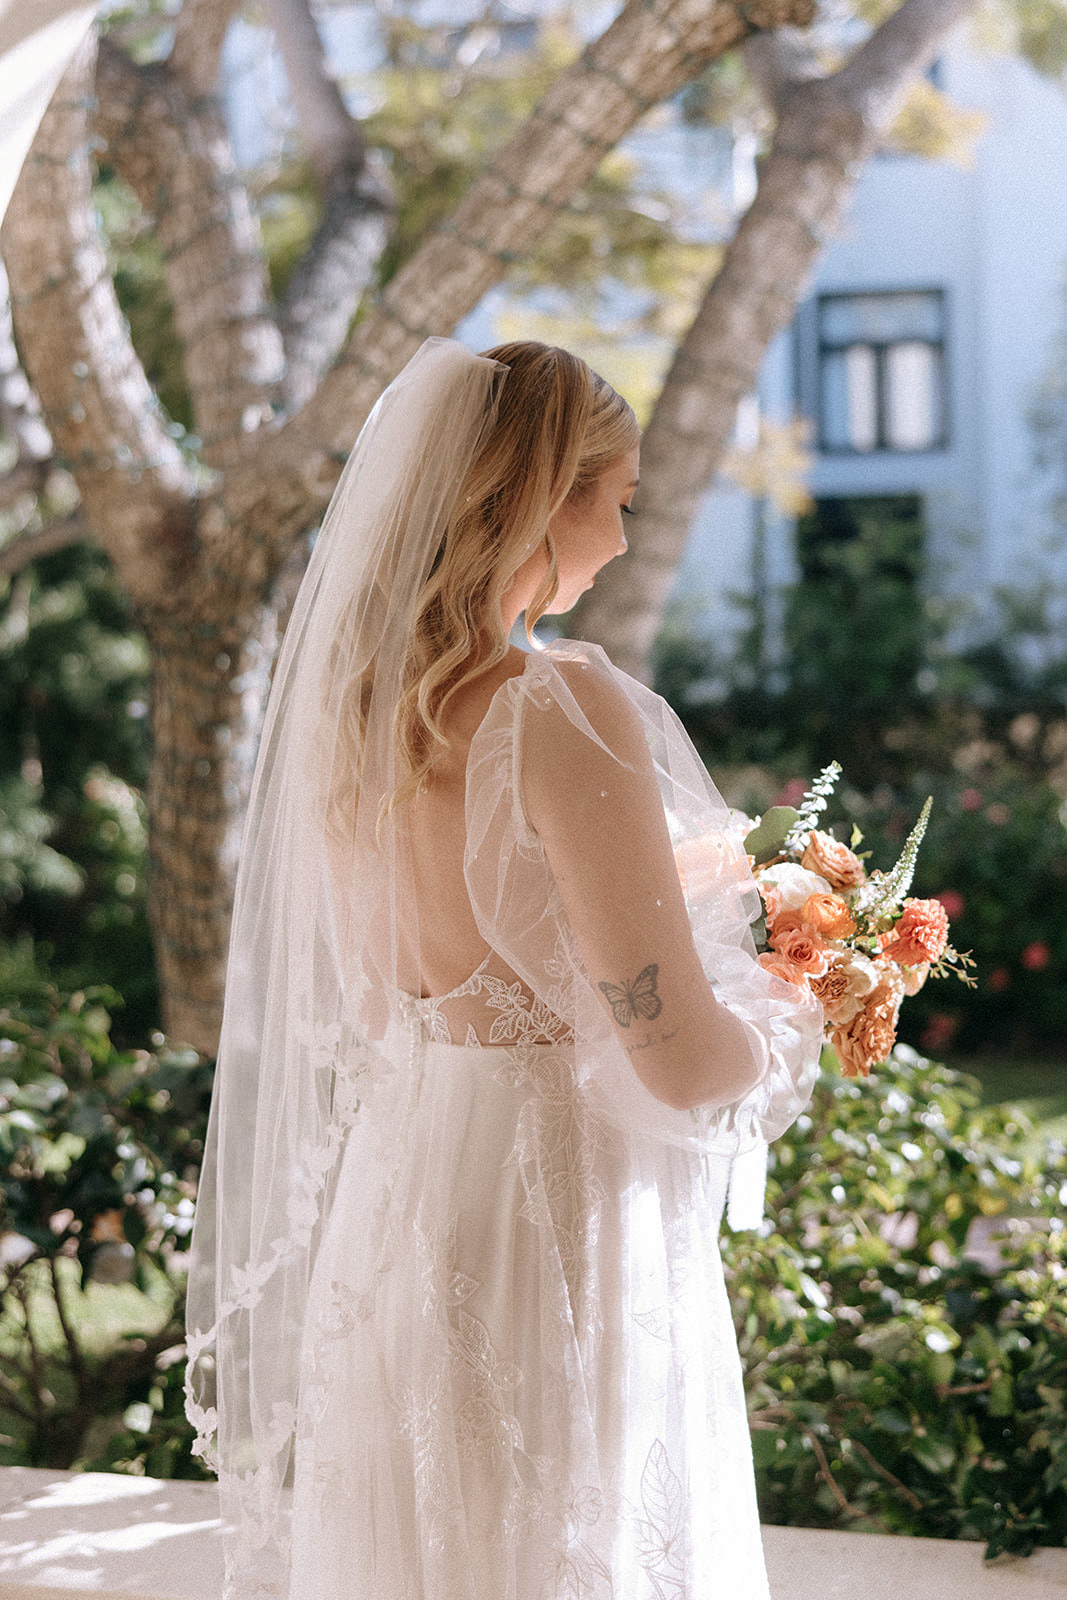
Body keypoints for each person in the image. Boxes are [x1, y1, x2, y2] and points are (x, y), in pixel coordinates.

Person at [185, 338, 823, 1600]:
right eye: (619, 497)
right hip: (551, 1212)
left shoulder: (355, 708)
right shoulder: (559, 705)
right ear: (539, 495)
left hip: (408, 1190)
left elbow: (462, 941)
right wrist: (800, 1002)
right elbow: (682, 1060)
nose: (628, 538)